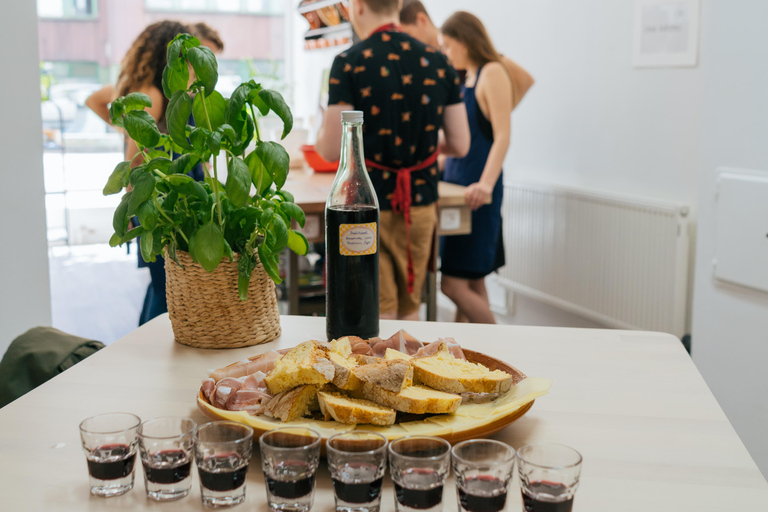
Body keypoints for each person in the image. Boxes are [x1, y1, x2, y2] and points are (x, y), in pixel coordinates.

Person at [315, 0, 470, 321]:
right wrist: (418, 145)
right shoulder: (439, 62)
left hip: (367, 204)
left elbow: (330, 149)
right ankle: (409, 369)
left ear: (357, 7)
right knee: (409, 306)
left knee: (377, 307)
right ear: (399, 5)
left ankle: (381, 370)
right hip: (422, 201)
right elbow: (460, 143)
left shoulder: (348, 62)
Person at [438, 11, 514, 324]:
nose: (445, 53)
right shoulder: (465, 77)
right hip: (456, 190)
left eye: (448, 46)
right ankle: (466, 362)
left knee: (452, 284)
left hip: (476, 194)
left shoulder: (492, 73)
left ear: (466, 43)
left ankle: (502, 348)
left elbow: (503, 136)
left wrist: (484, 185)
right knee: (472, 281)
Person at [399, 0, 534, 109]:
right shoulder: (422, 61)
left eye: (409, 35)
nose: (407, 44)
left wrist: (493, 118)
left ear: (422, 20)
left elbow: (524, 79)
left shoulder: (458, 42)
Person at [85, 22, 224, 126]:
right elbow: (93, 100)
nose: (205, 59)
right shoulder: (151, 93)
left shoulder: (194, 88)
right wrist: (129, 131)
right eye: (201, 51)